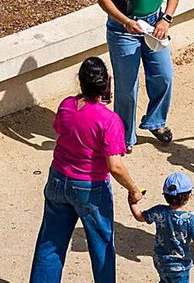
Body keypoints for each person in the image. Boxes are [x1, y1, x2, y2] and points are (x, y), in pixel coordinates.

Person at [30, 57, 146, 283]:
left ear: (81, 82)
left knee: (50, 243)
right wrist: (133, 189)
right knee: (102, 245)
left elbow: (61, 130)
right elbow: (115, 166)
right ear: (105, 85)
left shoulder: (66, 105)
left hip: (58, 179)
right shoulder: (110, 120)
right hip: (91, 188)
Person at [97, 0, 182, 148]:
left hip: (154, 25)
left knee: (164, 75)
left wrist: (166, 19)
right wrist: (125, 21)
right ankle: (124, 136)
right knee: (127, 86)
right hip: (124, 30)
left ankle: (156, 121)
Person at [129, 171, 194, 283]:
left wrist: (132, 202)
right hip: (180, 266)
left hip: (160, 261)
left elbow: (139, 216)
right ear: (188, 196)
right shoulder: (190, 219)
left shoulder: (159, 211)